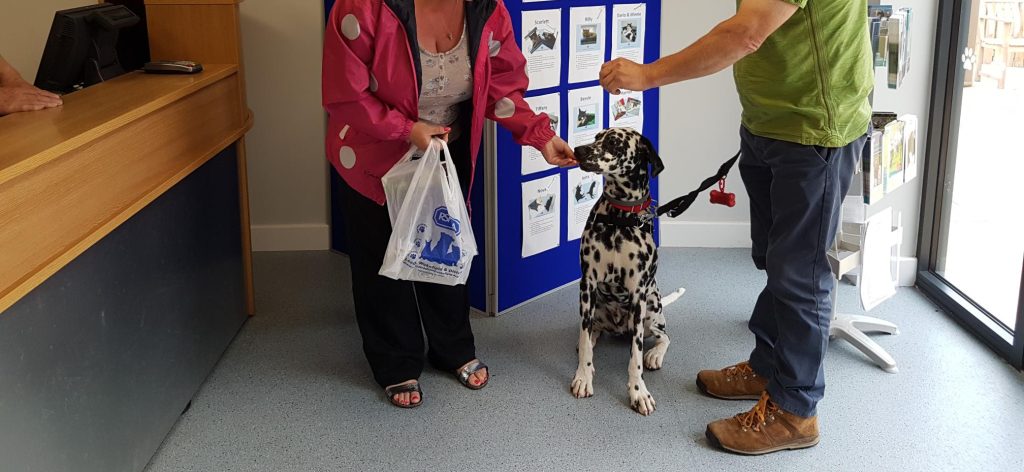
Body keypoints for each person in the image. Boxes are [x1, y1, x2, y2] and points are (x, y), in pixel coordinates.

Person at [600, 0, 871, 455]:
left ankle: (795, 411)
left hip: (812, 131)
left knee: (800, 276)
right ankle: (768, 367)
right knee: (774, 259)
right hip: (769, 125)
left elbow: (745, 34)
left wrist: (648, 75)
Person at [323, 0, 575, 409]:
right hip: (372, 148)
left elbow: (502, 85)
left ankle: (451, 346)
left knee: (445, 245)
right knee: (381, 258)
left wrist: (539, 135)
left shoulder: (487, 10)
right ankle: (395, 358)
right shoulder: (362, 7)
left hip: (442, 148)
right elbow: (346, 94)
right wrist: (407, 129)